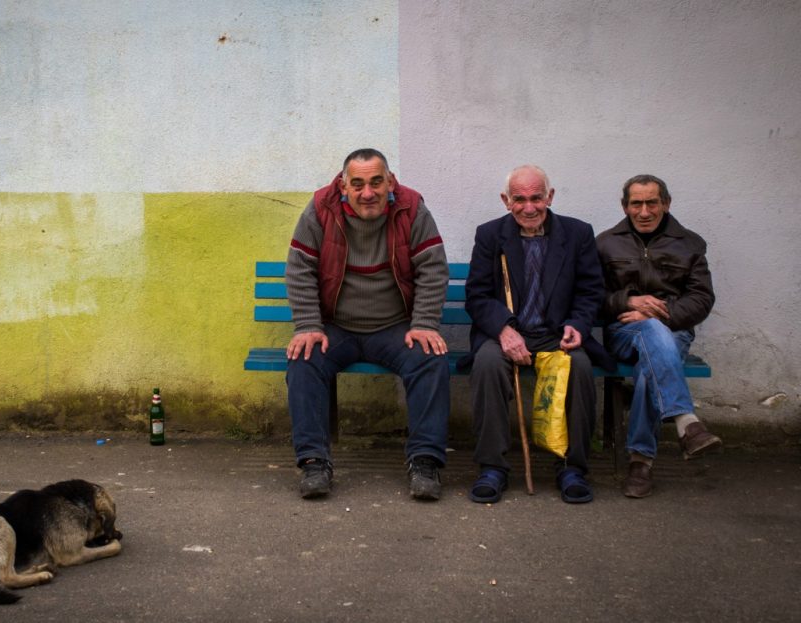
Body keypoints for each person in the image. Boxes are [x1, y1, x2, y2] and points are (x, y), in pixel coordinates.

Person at [285, 148, 451, 500]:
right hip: (337, 328)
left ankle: (424, 462)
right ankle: (314, 463)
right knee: (304, 359)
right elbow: (300, 268)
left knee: (429, 359)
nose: (368, 192)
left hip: (394, 328)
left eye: (376, 182)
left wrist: (423, 323)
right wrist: (308, 325)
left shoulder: (411, 208)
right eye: (357, 184)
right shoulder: (320, 209)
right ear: (343, 186)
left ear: (390, 181)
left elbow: (432, 269)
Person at [460, 165, 613, 505]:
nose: (529, 208)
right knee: (486, 364)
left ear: (550, 196)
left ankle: (572, 468)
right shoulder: (490, 235)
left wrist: (578, 324)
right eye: (519, 199)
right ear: (506, 200)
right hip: (507, 332)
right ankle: (492, 468)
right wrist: (503, 329)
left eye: (536, 198)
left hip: (557, 333)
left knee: (580, 369)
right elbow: (478, 295)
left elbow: (590, 292)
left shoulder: (577, 234)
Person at [596, 174, 721, 498]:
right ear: (625, 206)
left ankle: (640, 463)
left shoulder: (690, 244)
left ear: (666, 203)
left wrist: (658, 312)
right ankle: (685, 420)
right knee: (651, 333)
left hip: (673, 331)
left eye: (652, 202)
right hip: (623, 332)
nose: (645, 211)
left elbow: (701, 299)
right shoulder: (606, 243)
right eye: (636, 203)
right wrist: (628, 301)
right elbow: (591, 299)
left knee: (649, 371)